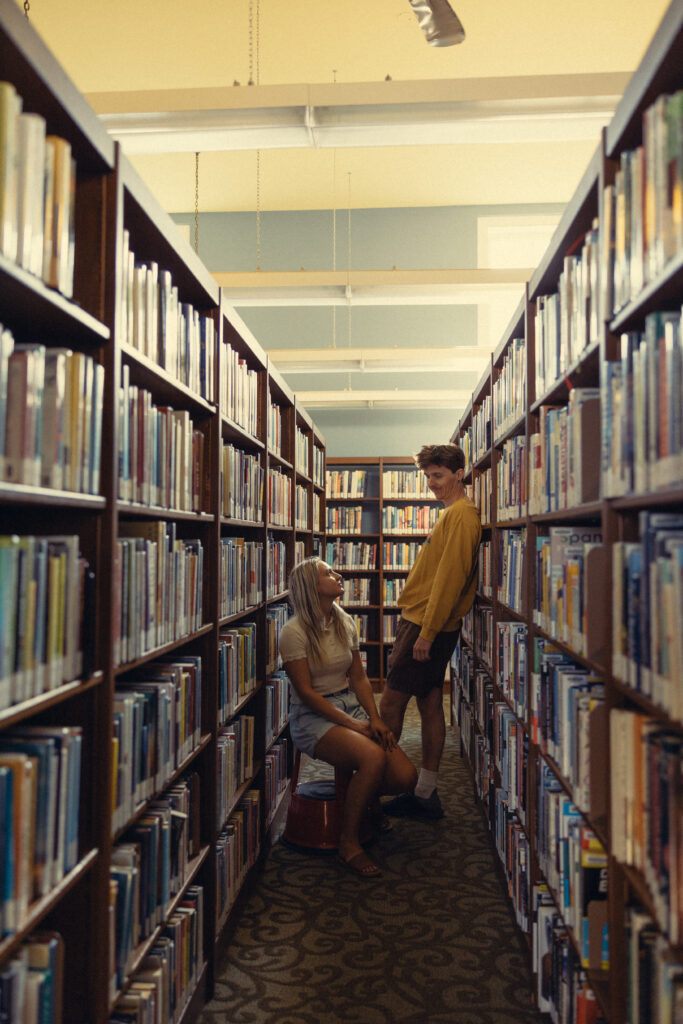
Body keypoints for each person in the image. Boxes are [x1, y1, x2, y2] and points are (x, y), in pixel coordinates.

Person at [279, 557, 417, 878]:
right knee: (372, 757)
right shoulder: (293, 632)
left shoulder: (343, 620)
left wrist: (375, 717)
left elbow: (358, 678)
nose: (338, 575)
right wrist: (354, 725)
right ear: (311, 588)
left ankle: (366, 800)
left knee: (404, 778)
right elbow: (306, 694)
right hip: (312, 715)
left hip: (349, 704)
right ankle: (348, 843)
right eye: (328, 573)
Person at [380, 443, 481, 819]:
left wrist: (427, 632)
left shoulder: (462, 516)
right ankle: (425, 794)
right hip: (426, 622)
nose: (432, 485)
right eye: (428, 477)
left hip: (427, 624)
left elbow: (449, 579)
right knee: (429, 702)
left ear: (459, 473)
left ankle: (376, 784)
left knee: (390, 703)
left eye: (438, 476)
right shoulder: (454, 514)